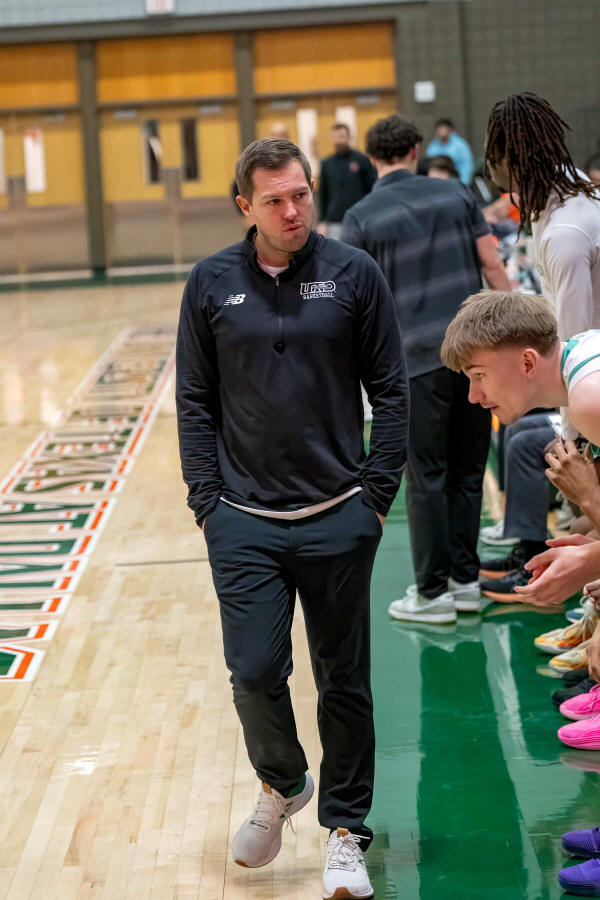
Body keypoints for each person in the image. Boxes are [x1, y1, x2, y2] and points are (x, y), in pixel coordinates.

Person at [176, 137, 409, 899]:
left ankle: (345, 831)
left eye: (301, 194)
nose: (292, 211)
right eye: (274, 200)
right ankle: (282, 781)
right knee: (252, 672)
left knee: (344, 680)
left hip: (340, 512)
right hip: (241, 518)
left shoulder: (354, 273)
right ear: (245, 206)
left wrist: (376, 497)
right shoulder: (211, 282)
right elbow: (194, 400)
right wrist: (207, 503)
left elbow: (392, 389)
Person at [341, 115, 510, 625]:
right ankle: (465, 584)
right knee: (469, 471)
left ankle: (433, 592)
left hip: (413, 364)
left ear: (373, 158)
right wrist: (518, 338)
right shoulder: (457, 194)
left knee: (426, 477)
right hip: (475, 357)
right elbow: (493, 266)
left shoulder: (359, 216)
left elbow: (353, 303)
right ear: (415, 151)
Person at [439, 291, 600, 673]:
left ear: (527, 361)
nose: (473, 396)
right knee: (582, 528)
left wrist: (589, 553)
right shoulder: (580, 360)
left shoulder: (589, 399)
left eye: (479, 375)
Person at [485, 92, 600, 345]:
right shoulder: (566, 181)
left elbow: (574, 345)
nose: (487, 163)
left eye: (490, 151)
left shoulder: (564, 234)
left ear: (505, 161)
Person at [317, 123, 376, 239]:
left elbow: (372, 190)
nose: (338, 140)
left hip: (360, 219)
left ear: (349, 137)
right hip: (335, 221)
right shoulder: (326, 163)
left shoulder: (362, 160)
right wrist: (322, 221)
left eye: (342, 136)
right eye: (335, 137)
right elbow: (323, 194)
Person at [426, 117, 474, 185]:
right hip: (436, 183)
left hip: (456, 181)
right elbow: (429, 166)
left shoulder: (460, 145)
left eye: (444, 128)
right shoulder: (432, 146)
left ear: (450, 129)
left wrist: (463, 184)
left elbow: (466, 165)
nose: (441, 131)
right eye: (439, 128)